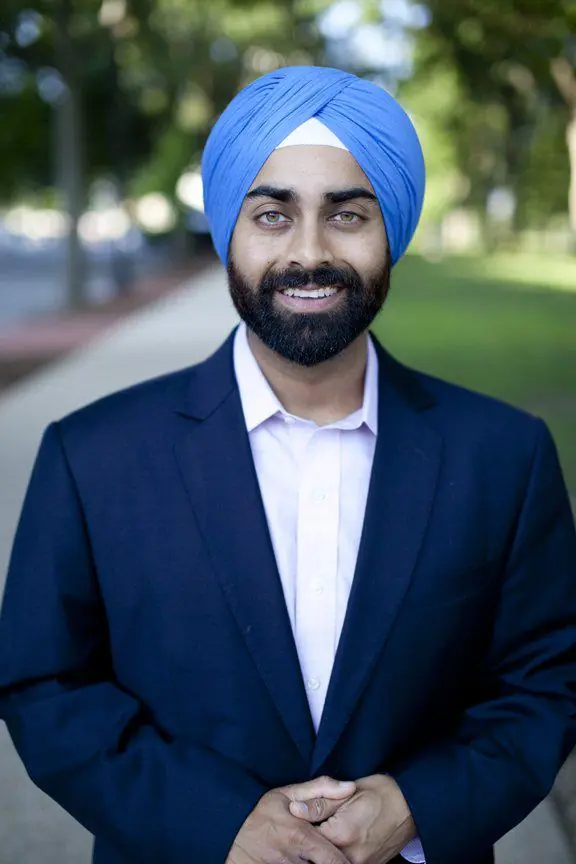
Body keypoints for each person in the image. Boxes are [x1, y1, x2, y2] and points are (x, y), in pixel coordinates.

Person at [0, 65, 575, 864]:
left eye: (348, 214)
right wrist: (219, 823)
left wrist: (417, 806)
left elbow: (547, 682)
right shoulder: (91, 456)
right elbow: (46, 686)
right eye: (272, 214)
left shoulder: (504, 457)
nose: (309, 253)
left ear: (392, 230)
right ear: (228, 232)